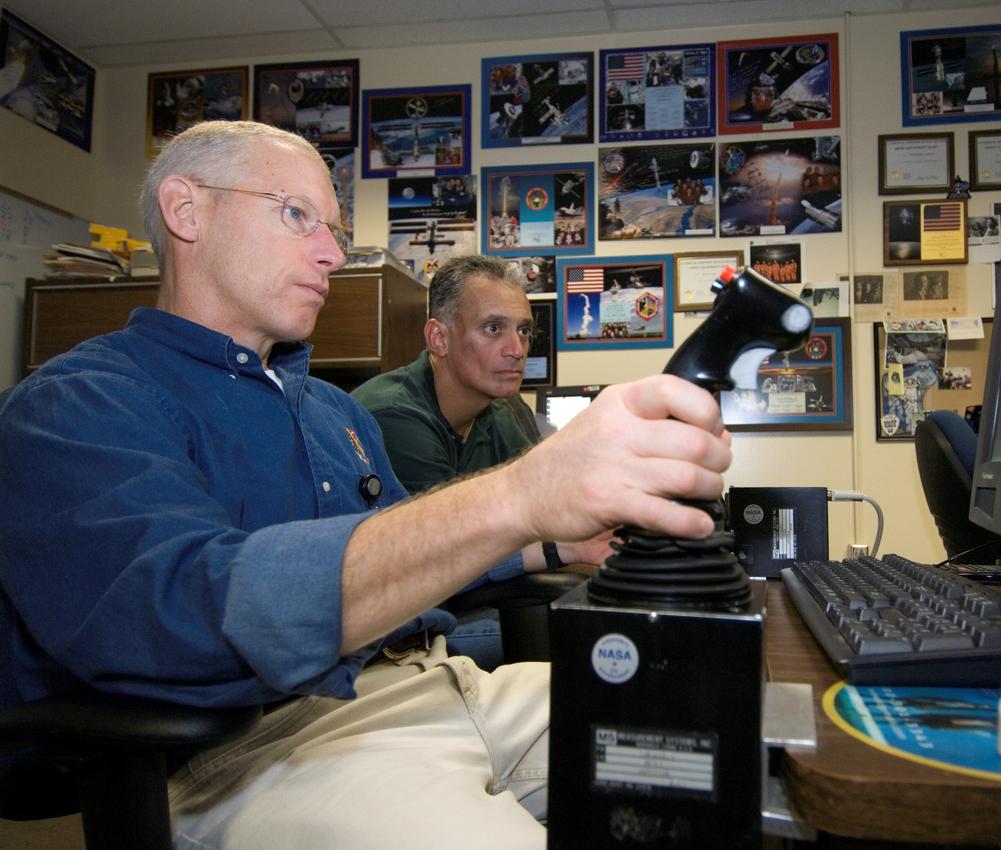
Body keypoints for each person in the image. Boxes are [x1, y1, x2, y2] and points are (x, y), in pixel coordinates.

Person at [0, 121, 731, 849]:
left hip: (442, 684)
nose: (331, 252)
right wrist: (519, 495)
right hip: (261, 748)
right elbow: (188, 614)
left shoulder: (333, 411)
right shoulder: (79, 403)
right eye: (297, 216)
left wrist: (543, 539)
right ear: (186, 210)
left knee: (720, 717)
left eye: (337, 231)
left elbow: (401, 554)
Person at [351, 254, 611, 667]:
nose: (516, 350)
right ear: (439, 339)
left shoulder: (500, 412)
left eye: (523, 330)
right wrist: (559, 544)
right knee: (605, 637)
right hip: (404, 632)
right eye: (494, 329)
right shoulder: (394, 416)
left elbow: (554, 505)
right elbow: (435, 560)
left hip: (479, 597)